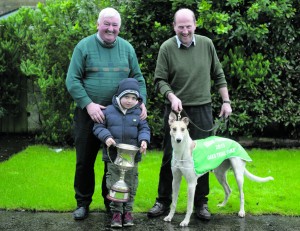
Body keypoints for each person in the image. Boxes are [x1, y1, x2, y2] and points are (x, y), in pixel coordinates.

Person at [147, 8, 232, 220]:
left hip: (202, 108)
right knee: (170, 156)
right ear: (174, 26)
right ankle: (163, 201)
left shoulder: (206, 44)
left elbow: (218, 74)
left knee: (201, 159)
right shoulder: (166, 48)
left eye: (188, 26)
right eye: (180, 27)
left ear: (195, 24)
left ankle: (201, 203)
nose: (185, 31)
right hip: (176, 110)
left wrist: (226, 101)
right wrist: (171, 96)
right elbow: (159, 80)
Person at [65, 7, 147, 220]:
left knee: (114, 162)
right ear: (98, 24)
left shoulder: (127, 48)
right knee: (85, 160)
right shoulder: (84, 47)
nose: (111, 29)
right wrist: (88, 105)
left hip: (118, 116)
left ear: (119, 27)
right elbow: (72, 80)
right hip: (88, 114)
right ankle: (83, 203)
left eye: (115, 25)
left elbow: (138, 78)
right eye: (107, 24)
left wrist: (141, 102)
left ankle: (111, 202)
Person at [93, 78, 150, 227]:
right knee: (114, 183)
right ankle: (116, 213)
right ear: (118, 96)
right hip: (113, 157)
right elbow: (98, 127)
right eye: (126, 97)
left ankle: (128, 212)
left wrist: (144, 140)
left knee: (131, 183)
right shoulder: (108, 111)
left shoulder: (139, 113)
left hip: (132, 158)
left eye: (134, 98)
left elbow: (144, 129)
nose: (130, 101)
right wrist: (107, 137)